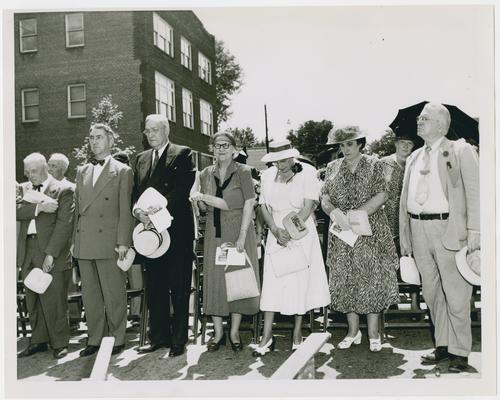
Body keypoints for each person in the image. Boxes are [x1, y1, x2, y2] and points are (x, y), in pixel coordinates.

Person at [399, 103, 479, 372]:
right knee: (431, 293)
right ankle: (443, 346)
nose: (419, 122)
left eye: (426, 118)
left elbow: (474, 192)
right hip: (418, 229)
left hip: (449, 229)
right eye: (420, 118)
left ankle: (460, 353)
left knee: (456, 294)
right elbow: (403, 202)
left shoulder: (460, 150)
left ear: (442, 125)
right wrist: (406, 239)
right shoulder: (414, 156)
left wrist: (475, 232)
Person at [321, 126, 399, 352]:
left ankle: (374, 333)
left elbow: (382, 194)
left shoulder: (377, 164)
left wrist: (355, 216)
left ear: (360, 144)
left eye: (350, 144)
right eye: (342, 145)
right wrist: (334, 212)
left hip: (369, 229)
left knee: (372, 278)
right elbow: (325, 196)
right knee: (345, 279)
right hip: (342, 232)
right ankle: (352, 331)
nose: (345, 149)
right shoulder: (332, 167)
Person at [254, 140, 330, 356]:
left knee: (299, 283)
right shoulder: (267, 175)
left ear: (293, 157)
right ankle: (266, 336)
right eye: (277, 161)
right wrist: (276, 231)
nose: (281, 165)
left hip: (301, 231)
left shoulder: (308, 172)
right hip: (276, 233)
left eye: (285, 160)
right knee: (273, 283)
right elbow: (263, 206)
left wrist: (291, 231)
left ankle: (298, 334)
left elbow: (309, 206)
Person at [132, 114, 196, 357]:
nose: (150, 135)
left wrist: (157, 208)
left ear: (166, 130)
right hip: (149, 233)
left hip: (175, 231)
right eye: (147, 131)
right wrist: (138, 211)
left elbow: (183, 188)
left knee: (178, 287)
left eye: (155, 130)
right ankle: (158, 337)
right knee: (155, 285)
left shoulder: (182, 153)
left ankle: (179, 340)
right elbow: (135, 192)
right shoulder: (140, 159)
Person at [190, 132, 260, 352]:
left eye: (225, 145)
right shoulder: (204, 174)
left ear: (233, 149)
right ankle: (218, 333)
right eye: (216, 145)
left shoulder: (244, 172)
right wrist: (197, 200)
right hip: (214, 232)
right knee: (215, 282)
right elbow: (203, 209)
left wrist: (242, 235)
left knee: (237, 281)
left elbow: (246, 204)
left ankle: (234, 332)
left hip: (238, 231)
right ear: (212, 149)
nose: (220, 149)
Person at [72, 123, 134, 357]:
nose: (94, 142)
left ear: (110, 140)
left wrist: (123, 242)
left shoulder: (122, 171)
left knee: (114, 293)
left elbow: (124, 210)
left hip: (109, 241)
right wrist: (73, 242)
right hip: (85, 240)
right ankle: (95, 338)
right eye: (91, 138)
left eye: (99, 137)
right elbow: (78, 209)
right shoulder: (82, 171)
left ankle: (118, 337)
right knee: (90, 295)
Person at [17, 153, 74, 359]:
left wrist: (51, 254)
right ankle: (38, 340)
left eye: (33, 171)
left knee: (54, 298)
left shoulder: (63, 190)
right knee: (32, 297)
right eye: (26, 172)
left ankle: (60, 343)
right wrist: (39, 208)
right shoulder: (23, 190)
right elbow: (12, 211)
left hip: (51, 250)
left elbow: (64, 225)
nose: (29, 175)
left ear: (45, 170)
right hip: (27, 250)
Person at [380, 134, 415, 255]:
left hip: (409, 219)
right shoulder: (383, 163)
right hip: (386, 219)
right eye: (402, 142)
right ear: (396, 144)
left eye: (409, 143)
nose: (405, 146)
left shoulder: (415, 164)